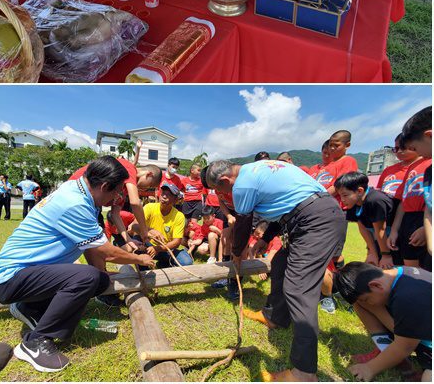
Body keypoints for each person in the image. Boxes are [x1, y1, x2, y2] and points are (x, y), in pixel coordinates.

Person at [0, 156, 156, 373]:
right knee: (88, 277)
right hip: (9, 279)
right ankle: (35, 343)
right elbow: (105, 251)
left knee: (97, 278)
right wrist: (139, 259)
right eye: (117, 191)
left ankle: (29, 307)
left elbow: (93, 250)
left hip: (23, 274)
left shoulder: (79, 192)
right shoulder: (74, 203)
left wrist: (104, 277)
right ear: (104, 186)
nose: (118, 197)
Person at [203, 159, 345, 382]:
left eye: (219, 190)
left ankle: (304, 373)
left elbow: (242, 223)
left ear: (224, 180)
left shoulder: (242, 185)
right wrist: (266, 238)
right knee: (280, 262)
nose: (222, 195)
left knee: (299, 291)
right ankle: (276, 317)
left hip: (315, 221)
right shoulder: (260, 168)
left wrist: (237, 254)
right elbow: (289, 206)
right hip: (316, 213)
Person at [334, 262, 431, 382]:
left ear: (376, 285)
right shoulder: (395, 273)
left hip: (427, 344)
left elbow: (406, 347)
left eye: (367, 299)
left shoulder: (408, 298)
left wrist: (369, 368)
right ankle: (387, 349)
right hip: (421, 331)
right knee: (359, 302)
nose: (369, 303)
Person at [335, 171, 397, 269]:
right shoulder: (353, 203)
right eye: (340, 196)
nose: (342, 199)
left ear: (360, 191)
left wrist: (386, 255)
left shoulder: (375, 200)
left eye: (345, 195)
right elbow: (363, 229)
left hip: (392, 240)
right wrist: (372, 253)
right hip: (379, 239)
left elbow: (380, 230)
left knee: (389, 270)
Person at [388, 149, 432, 270]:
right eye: (396, 148)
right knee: (411, 267)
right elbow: (404, 200)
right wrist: (394, 229)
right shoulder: (413, 166)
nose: (399, 151)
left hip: (425, 218)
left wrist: (426, 228)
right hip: (408, 219)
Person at [138, 182, 194, 268]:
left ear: (175, 200)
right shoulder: (149, 207)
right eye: (163, 193)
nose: (164, 196)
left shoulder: (179, 216)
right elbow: (135, 225)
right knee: (136, 244)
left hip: (166, 248)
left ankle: (163, 264)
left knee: (186, 261)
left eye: (168, 195)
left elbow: (176, 242)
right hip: (147, 244)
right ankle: (143, 269)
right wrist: (151, 231)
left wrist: (157, 249)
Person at [375, 134, 418, 199]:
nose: (399, 151)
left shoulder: (427, 167)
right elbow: (378, 192)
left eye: (403, 147)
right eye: (396, 148)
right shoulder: (388, 170)